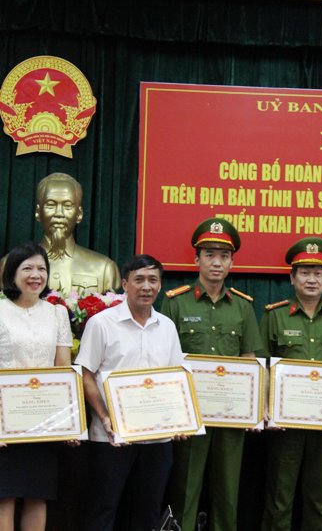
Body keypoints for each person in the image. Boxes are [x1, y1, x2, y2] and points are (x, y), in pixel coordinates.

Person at [163, 217, 263, 531]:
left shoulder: (243, 307)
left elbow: (249, 359)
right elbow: (166, 360)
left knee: (228, 491)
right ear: (197, 259)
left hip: (231, 415)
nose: (217, 262)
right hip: (190, 414)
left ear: (232, 262)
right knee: (185, 488)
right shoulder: (175, 302)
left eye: (224, 256)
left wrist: (251, 410)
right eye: (209, 255)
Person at [75, 254, 184, 531]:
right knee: (103, 509)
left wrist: (182, 420)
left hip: (157, 439)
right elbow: (86, 375)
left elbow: (175, 379)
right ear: (125, 284)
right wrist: (104, 416)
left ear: (160, 285)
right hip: (111, 437)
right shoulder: (101, 323)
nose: (146, 287)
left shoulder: (167, 326)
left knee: (147, 512)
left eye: (153, 280)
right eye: (139, 280)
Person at [260, 237, 322, 531]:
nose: (311, 280)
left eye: (317, 273)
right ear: (292, 278)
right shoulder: (274, 315)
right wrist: (263, 407)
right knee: (280, 495)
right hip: (284, 423)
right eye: (304, 273)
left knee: (319, 497)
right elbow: (261, 366)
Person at [0, 242, 72, 531]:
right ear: (12, 273)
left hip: (44, 419)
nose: (35, 275)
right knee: (4, 497)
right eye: (27, 268)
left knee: (37, 495)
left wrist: (69, 422)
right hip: (5, 419)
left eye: (41, 269)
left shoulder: (57, 314)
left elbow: (63, 369)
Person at [1, 173, 120, 292]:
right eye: (50, 205)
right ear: (38, 212)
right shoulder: (9, 265)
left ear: (79, 214)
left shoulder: (104, 268)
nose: (59, 213)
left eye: (67, 206)